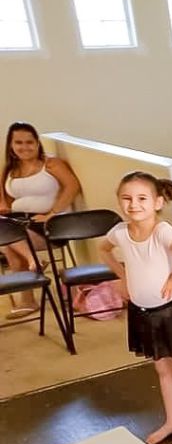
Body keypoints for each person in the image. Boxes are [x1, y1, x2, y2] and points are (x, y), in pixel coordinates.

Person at [98, 172, 172, 444]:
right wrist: (122, 276)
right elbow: (103, 249)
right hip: (142, 312)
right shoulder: (119, 233)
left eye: (142, 198)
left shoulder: (162, 231)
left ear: (158, 202)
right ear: (119, 201)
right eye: (127, 198)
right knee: (162, 369)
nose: (134, 204)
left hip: (168, 312)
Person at [0, 121, 82, 318]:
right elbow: (5, 201)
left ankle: (28, 296)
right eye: (18, 142)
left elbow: (72, 187)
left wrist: (51, 213)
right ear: (11, 145)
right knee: (9, 239)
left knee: (10, 242)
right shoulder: (10, 170)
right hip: (22, 223)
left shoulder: (51, 164)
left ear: (37, 143)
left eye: (29, 142)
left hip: (51, 225)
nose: (24, 147)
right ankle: (33, 261)